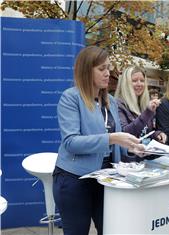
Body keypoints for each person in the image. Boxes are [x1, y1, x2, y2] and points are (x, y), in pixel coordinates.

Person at [53, 46, 144, 235]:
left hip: (106, 178)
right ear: (87, 70)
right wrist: (112, 138)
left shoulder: (110, 101)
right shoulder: (70, 98)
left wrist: (133, 148)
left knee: (110, 230)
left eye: (108, 68)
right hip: (75, 180)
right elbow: (71, 142)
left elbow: (114, 144)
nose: (107, 73)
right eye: (101, 68)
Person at [114, 66, 167, 159]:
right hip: (128, 162)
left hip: (145, 159)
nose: (139, 84)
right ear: (125, 84)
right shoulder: (118, 105)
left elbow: (145, 132)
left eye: (142, 81)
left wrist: (156, 135)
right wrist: (147, 113)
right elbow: (125, 133)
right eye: (134, 81)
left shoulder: (144, 103)